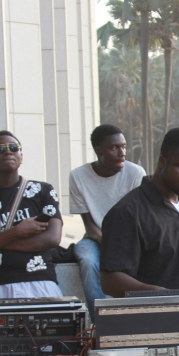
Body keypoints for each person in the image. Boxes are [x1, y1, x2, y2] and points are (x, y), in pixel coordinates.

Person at [99, 127, 179, 297]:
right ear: (163, 162)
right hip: (154, 313)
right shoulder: (126, 212)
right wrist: (160, 295)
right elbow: (109, 281)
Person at [0, 130, 63, 298]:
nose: (8, 151)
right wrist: (17, 232)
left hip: (38, 281)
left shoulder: (43, 191)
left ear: (21, 156)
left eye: (14, 148)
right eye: (0, 149)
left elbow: (52, 239)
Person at [69, 124, 145, 320]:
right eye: (114, 148)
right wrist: (110, 246)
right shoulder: (78, 176)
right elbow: (89, 226)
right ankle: (101, 322)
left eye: (124, 146)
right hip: (95, 238)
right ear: (99, 150)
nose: (122, 153)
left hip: (129, 239)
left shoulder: (136, 173)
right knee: (87, 259)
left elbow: (139, 221)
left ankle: (136, 319)